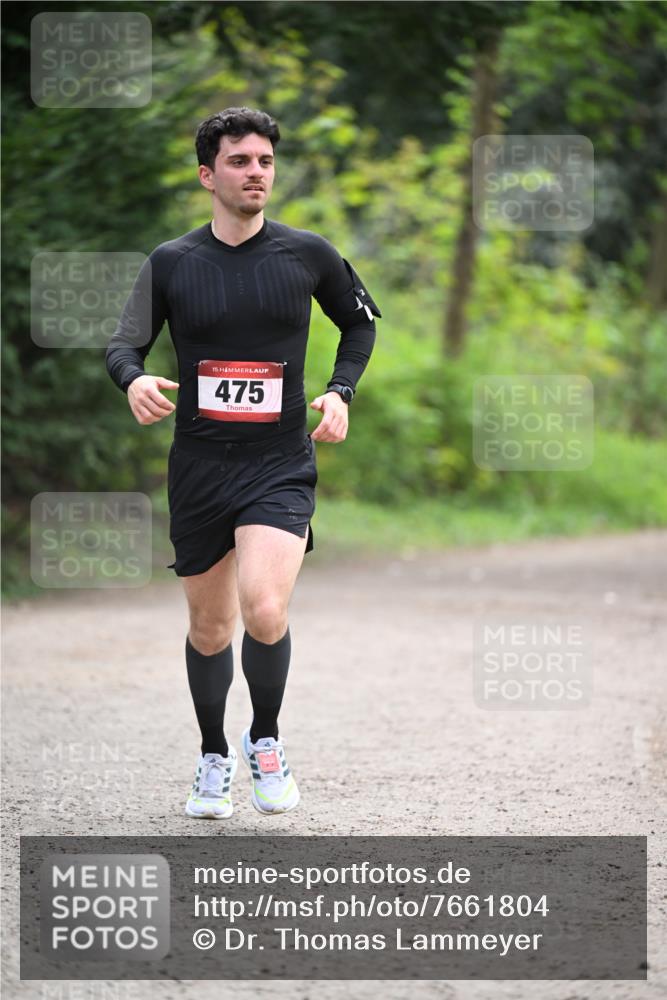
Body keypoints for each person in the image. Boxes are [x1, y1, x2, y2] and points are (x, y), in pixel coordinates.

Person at [105, 107, 380, 819]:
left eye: (264, 161)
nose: (255, 172)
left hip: (277, 462)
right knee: (209, 629)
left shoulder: (308, 254)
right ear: (208, 173)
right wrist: (133, 379)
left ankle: (265, 739)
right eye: (239, 161)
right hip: (198, 466)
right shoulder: (172, 262)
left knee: (263, 608)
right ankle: (211, 755)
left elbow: (358, 321)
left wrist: (339, 391)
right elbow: (123, 345)